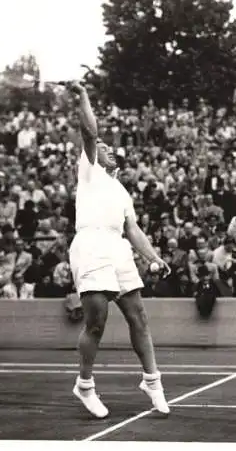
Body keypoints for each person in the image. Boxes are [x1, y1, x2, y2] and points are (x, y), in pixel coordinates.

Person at [67, 81, 171, 419]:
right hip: (90, 243)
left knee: (138, 314)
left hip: (117, 246)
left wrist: (154, 258)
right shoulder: (90, 169)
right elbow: (88, 129)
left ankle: (152, 380)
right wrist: (83, 97)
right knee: (97, 320)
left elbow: (133, 230)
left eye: (107, 148)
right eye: (101, 146)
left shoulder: (122, 190)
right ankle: (84, 385)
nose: (105, 149)